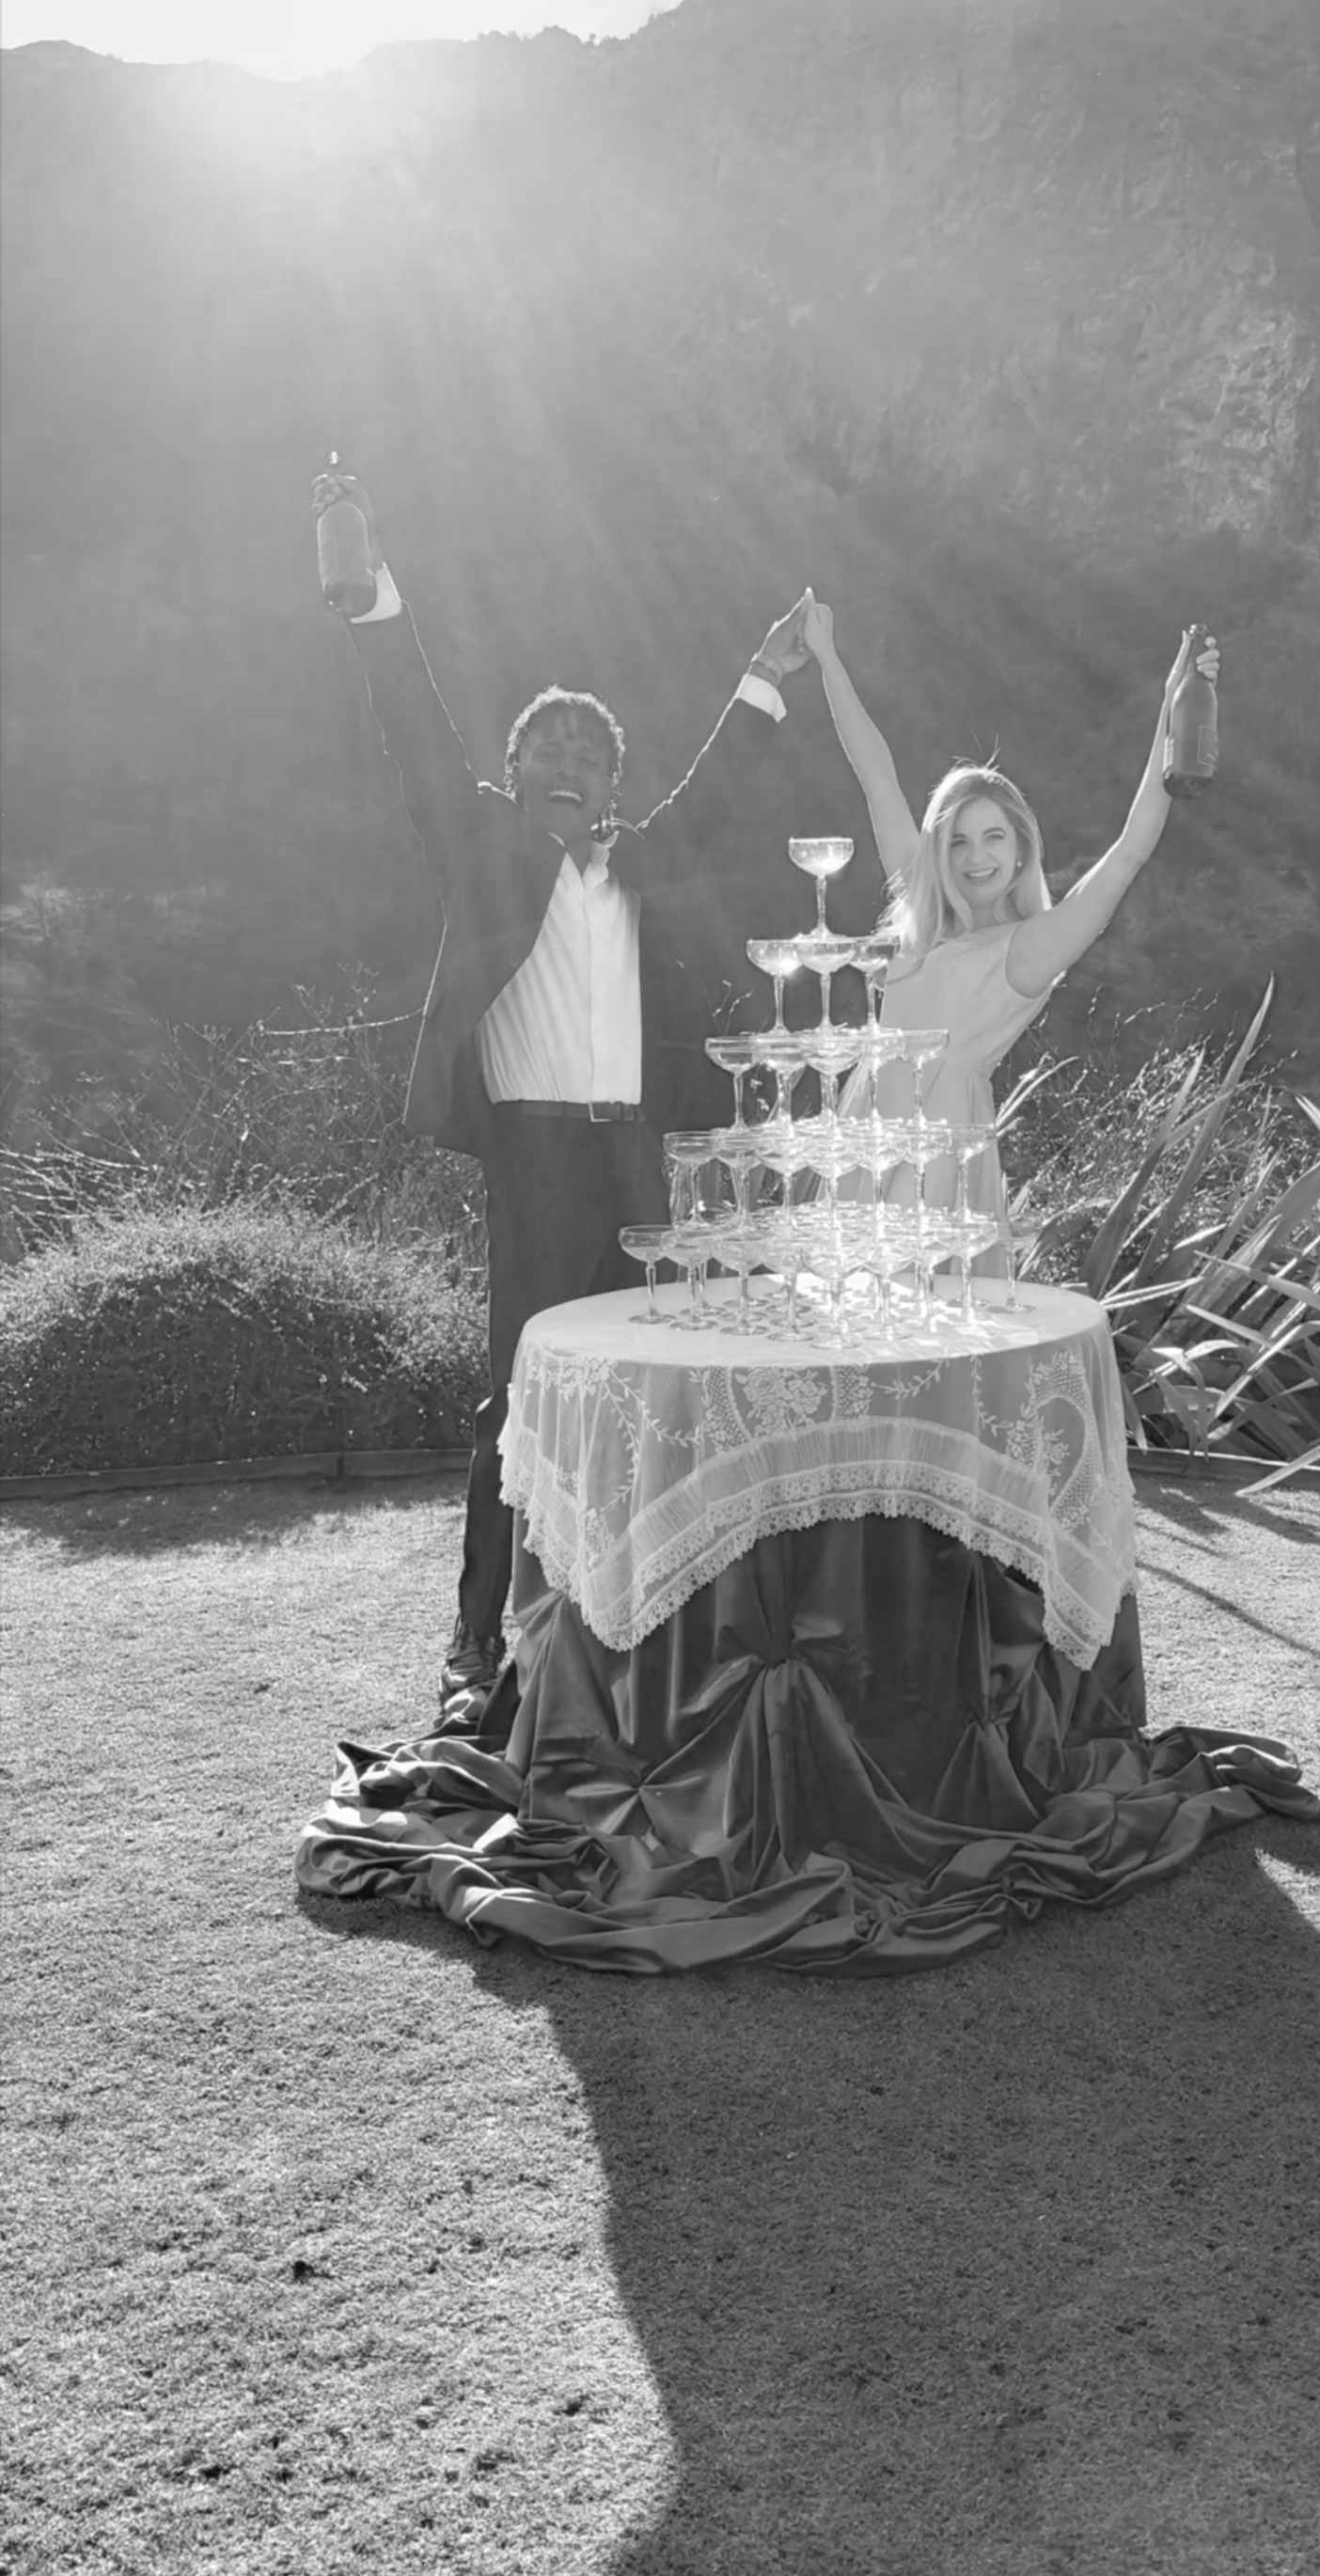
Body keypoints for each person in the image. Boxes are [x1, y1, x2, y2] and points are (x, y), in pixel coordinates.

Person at [311, 468, 813, 1707]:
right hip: (535, 1161)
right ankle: (476, 1649)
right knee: (523, 1400)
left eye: (585, 754)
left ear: (610, 783)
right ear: (515, 768)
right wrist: (370, 587)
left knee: (638, 1390)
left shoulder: (641, 866)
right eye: (541, 748)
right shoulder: (481, 845)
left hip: (633, 1155)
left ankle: (619, 1631)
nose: (561, 764)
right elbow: (413, 720)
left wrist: (764, 676)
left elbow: (718, 790)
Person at [800, 592, 1220, 1214]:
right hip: (865, 1127)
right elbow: (874, 771)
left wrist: (1170, 708)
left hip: (939, 1154)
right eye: (959, 839)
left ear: (1021, 849)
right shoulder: (919, 909)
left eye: (993, 837)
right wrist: (826, 656)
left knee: (924, 1303)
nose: (975, 857)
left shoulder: (1028, 949)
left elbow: (1128, 851)